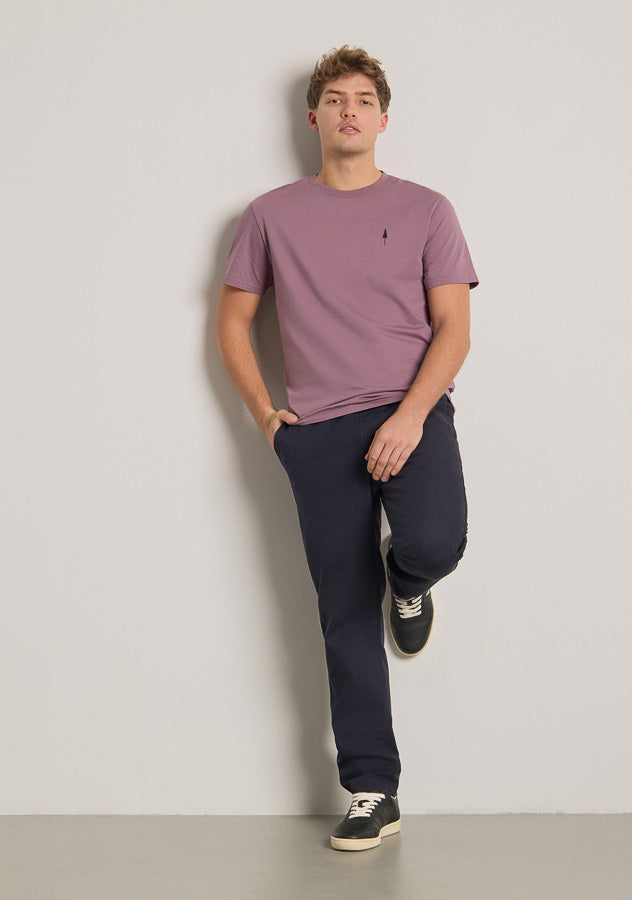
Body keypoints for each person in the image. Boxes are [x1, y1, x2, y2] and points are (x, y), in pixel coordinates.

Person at [215, 44, 479, 851]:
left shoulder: (428, 208)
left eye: (364, 99)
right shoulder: (270, 215)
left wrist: (409, 416)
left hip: (411, 411)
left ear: (384, 119)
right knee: (343, 613)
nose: (350, 111)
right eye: (335, 99)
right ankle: (373, 788)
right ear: (314, 118)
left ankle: (410, 583)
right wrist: (268, 419)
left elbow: (454, 328)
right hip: (318, 431)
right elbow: (231, 322)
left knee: (436, 541)